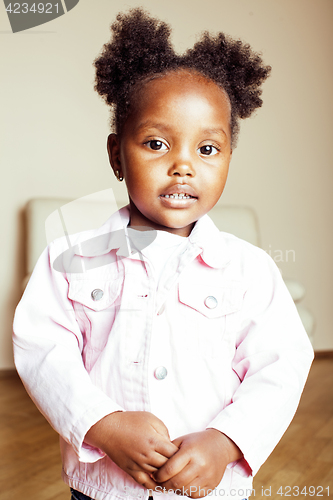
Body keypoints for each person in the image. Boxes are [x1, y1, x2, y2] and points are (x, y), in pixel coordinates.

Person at [13, 8, 314, 500]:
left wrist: (225, 442)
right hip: (104, 488)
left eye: (208, 149)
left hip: (210, 487)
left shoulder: (250, 270)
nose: (182, 165)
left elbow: (279, 367)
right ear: (117, 155)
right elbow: (43, 350)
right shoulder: (69, 259)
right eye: (156, 143)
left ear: (229, 160)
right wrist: (104, 425)